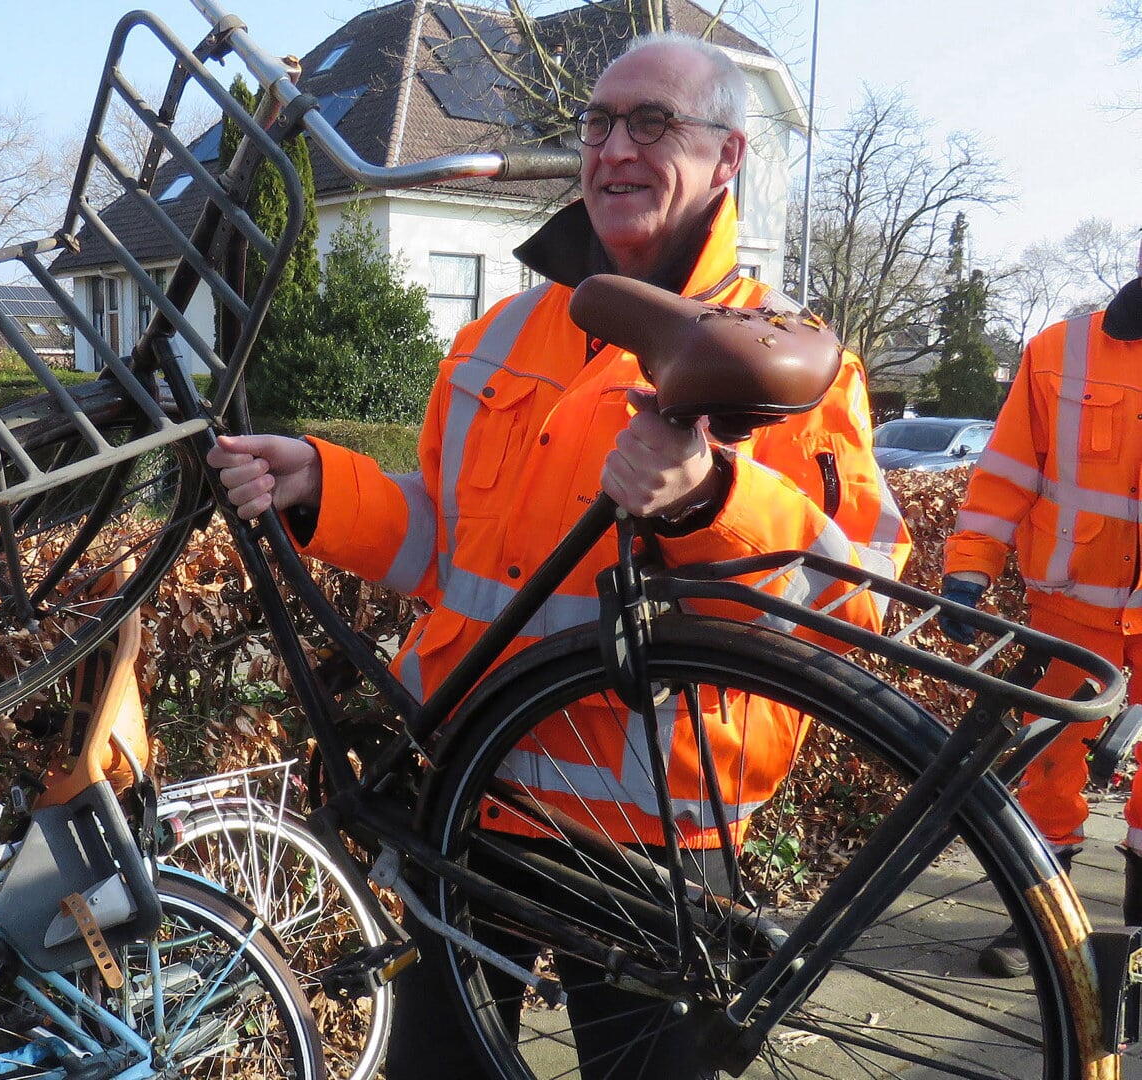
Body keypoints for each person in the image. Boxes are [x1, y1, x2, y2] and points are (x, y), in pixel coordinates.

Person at [208, 32, 909, 1080]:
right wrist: (325, 482)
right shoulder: (498, 334)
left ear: (727, 160)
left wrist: (710, 497)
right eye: (597, 122)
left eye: (651, 122)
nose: (613, 148)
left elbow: (852, 605)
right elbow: (451, 546)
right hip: (462, 795)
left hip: (646, 836)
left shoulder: (785, 360)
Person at [941, 236, 1142, 977]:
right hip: (1069, 606)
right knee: (1047, 759)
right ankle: (1040, 921)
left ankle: (1140, 942)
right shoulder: (1061, 351)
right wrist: (969, 565)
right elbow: (1005, 471)